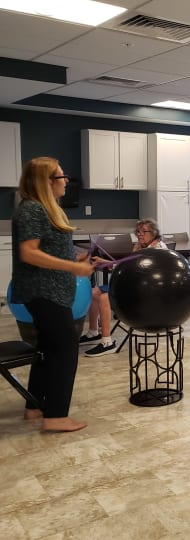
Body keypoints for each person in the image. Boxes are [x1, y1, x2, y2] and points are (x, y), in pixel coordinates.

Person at [11, 157, 95, 432]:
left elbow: (47, 248)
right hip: (43, 292)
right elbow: (30, 252)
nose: (66, 181)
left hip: (52, 292)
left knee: (48, 349)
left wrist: (75, 257)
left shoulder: (43, 209)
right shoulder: (33, 209)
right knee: (65, 349)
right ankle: (56, 416)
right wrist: (72, 266)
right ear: (46, 182)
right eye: (61, 177)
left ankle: (34, 407)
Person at [80, 219, 167, 357]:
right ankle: (93, 332)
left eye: (144, 231)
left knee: (104, 298)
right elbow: (129, 265)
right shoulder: (140, 246)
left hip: (146, 292)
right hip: (133, 285)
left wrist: (110, 264)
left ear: (154, 233)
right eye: (138, 232)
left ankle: (107, 343)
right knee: (94, 292)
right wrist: (106, 262)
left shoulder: (157, 249)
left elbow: (140, 270)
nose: (140, 234)